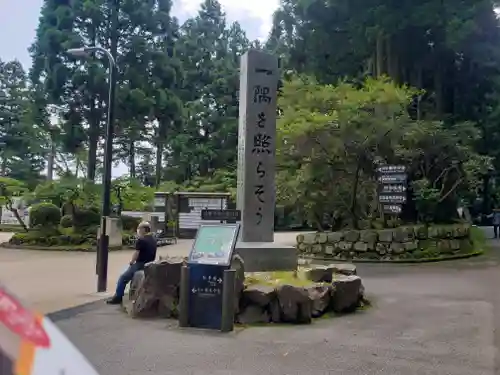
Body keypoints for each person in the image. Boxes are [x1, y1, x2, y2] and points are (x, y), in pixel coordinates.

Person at [107, 221, 157, 305]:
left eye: (139, 229)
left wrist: (131, 262)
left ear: (144, 229)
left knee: (123, 278)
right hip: (149, 264)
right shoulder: (153, 239)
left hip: (140, 264)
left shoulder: (141, 240)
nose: (138, 231)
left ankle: (118, 297)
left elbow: (136, 253)